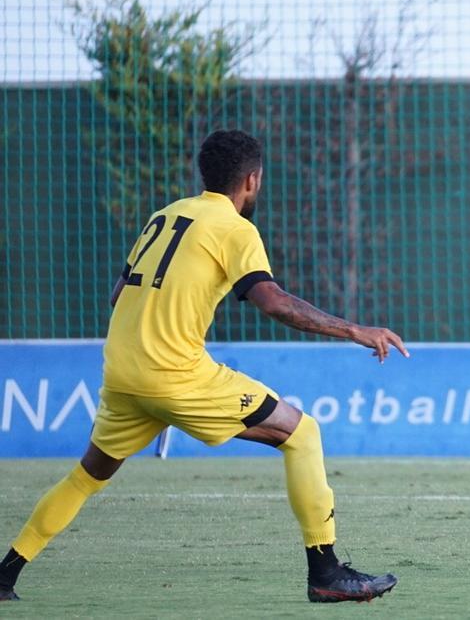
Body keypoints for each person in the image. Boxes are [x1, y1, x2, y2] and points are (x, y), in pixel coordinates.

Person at [0, 130, 406, 603]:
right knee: (302, 433)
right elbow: (272, 302)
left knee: (87, 476)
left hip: (122, 372)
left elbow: (118, 295)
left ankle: (6, 573)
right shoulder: (236, 229)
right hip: (175, 375)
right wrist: (355, 330)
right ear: (252, 180)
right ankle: (325, 572)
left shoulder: (166, 214)